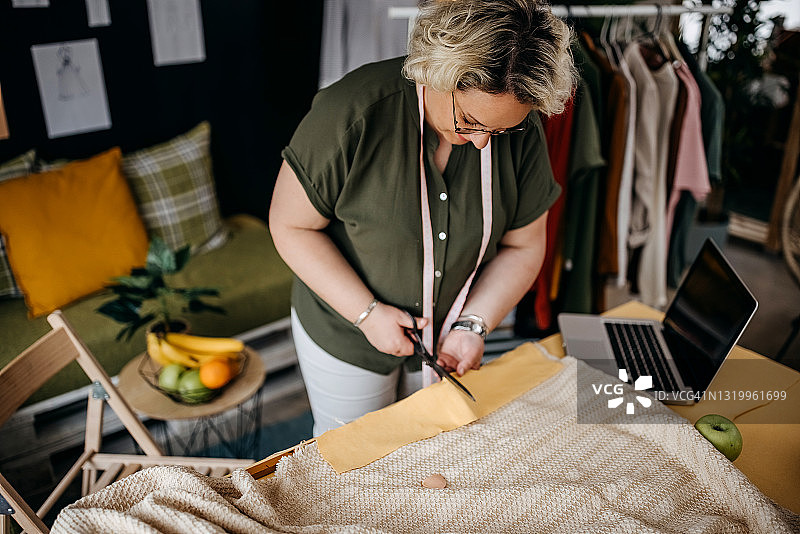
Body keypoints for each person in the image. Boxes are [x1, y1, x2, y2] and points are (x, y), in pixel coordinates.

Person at [269, 0, 576, 436]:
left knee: (428, 450)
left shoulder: (518, 128)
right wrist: (366, 314)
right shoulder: (351, 111)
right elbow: (290, 226)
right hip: (346, 331)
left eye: (500, 130)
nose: (483, 144)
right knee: (355, 452)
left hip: (448, 336)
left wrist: (473, 325)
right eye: (469, 121)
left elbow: (524, 246)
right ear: (437, 72)